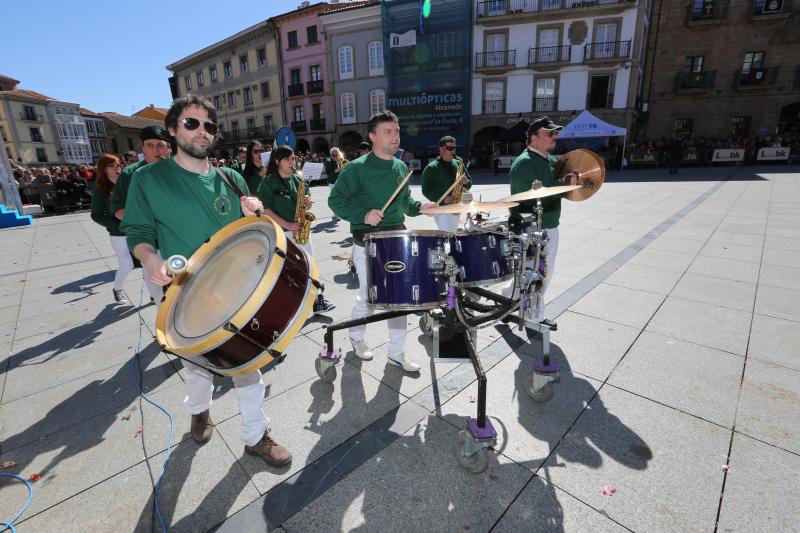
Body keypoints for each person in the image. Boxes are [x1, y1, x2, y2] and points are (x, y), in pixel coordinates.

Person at [120, 94, 292, 467]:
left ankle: (255, 435)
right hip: (186, 291)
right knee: (196, 365)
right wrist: (149, 258)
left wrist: (257, 213)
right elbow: (137, 230)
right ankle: (199, 409)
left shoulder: (230, 179)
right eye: (192, 123)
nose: (202, 132)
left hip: (238, 289)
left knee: (248, 365)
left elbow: (251, 235)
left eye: (209, 126)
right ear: (172, 129)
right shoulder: (148, 178)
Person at [328, 110, 437, 372]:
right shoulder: (356, 168)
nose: (395, 136)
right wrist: (363, 214)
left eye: (397, 131)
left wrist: (421, 207)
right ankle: (356, 337)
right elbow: (336, 201)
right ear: (373, 136)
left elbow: (406, 204)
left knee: (399, 298)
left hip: (397, 239)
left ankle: (397, 352)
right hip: (366, 240)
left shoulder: (400, 167)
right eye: (388, 131)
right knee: (368, 297)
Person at [502, 116, 577, 328]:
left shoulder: (550, 161)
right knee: (541, 272)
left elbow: (561, 188)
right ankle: (534, 317)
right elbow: (532, 198)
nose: (555, 136)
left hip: (550, 225)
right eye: (550, 133)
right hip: (534, 228)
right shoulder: (525, 163)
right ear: (534, 137)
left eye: (555, 133)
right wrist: (563, 185)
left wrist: (571, 181)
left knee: (529, 272)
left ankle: (508, 299)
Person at [256, 145, 335, 314]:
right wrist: (288, 225)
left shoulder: (298, 179)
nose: (292, 162)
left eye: (293, 159)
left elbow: (305, 203)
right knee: (286, 270)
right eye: (287, 159)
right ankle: (289, 303)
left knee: (310, 264)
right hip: (281, 232)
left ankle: (317, 300)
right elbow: (266, 211)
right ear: (277, 161)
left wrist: (307, 202)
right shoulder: (268, 183)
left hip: (300, 228)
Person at [90, 154, 162, 304]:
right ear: (103, 170)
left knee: (146, 262)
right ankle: (117, 289)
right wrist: (118, 224)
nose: (117, 168)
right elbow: (96, 215)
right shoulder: (101, 189)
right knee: (127, 263)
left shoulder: (128, 182)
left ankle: (153, 294)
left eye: (118, 165)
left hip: (138, 230)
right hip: (119, 233)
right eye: (112, 166)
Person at [111, 126, 172, 221]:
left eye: (160, 145)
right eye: (150, 145)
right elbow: (118, 210)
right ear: (143, 148)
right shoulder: (130, 173)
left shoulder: (181, 170)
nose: (155, 150)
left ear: (169, 148)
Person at [421, 135, 472, 231]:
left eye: (454, 148)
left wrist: (466, 181)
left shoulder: (458, 163)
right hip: (441, 209)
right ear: (441, 149)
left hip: (456, 207)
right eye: (450, 148)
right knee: (447, 234)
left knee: (452, 234)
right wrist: (443, 199)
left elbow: (469, 184)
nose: (453, 151)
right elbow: (426, 190)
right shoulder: (431, 168)